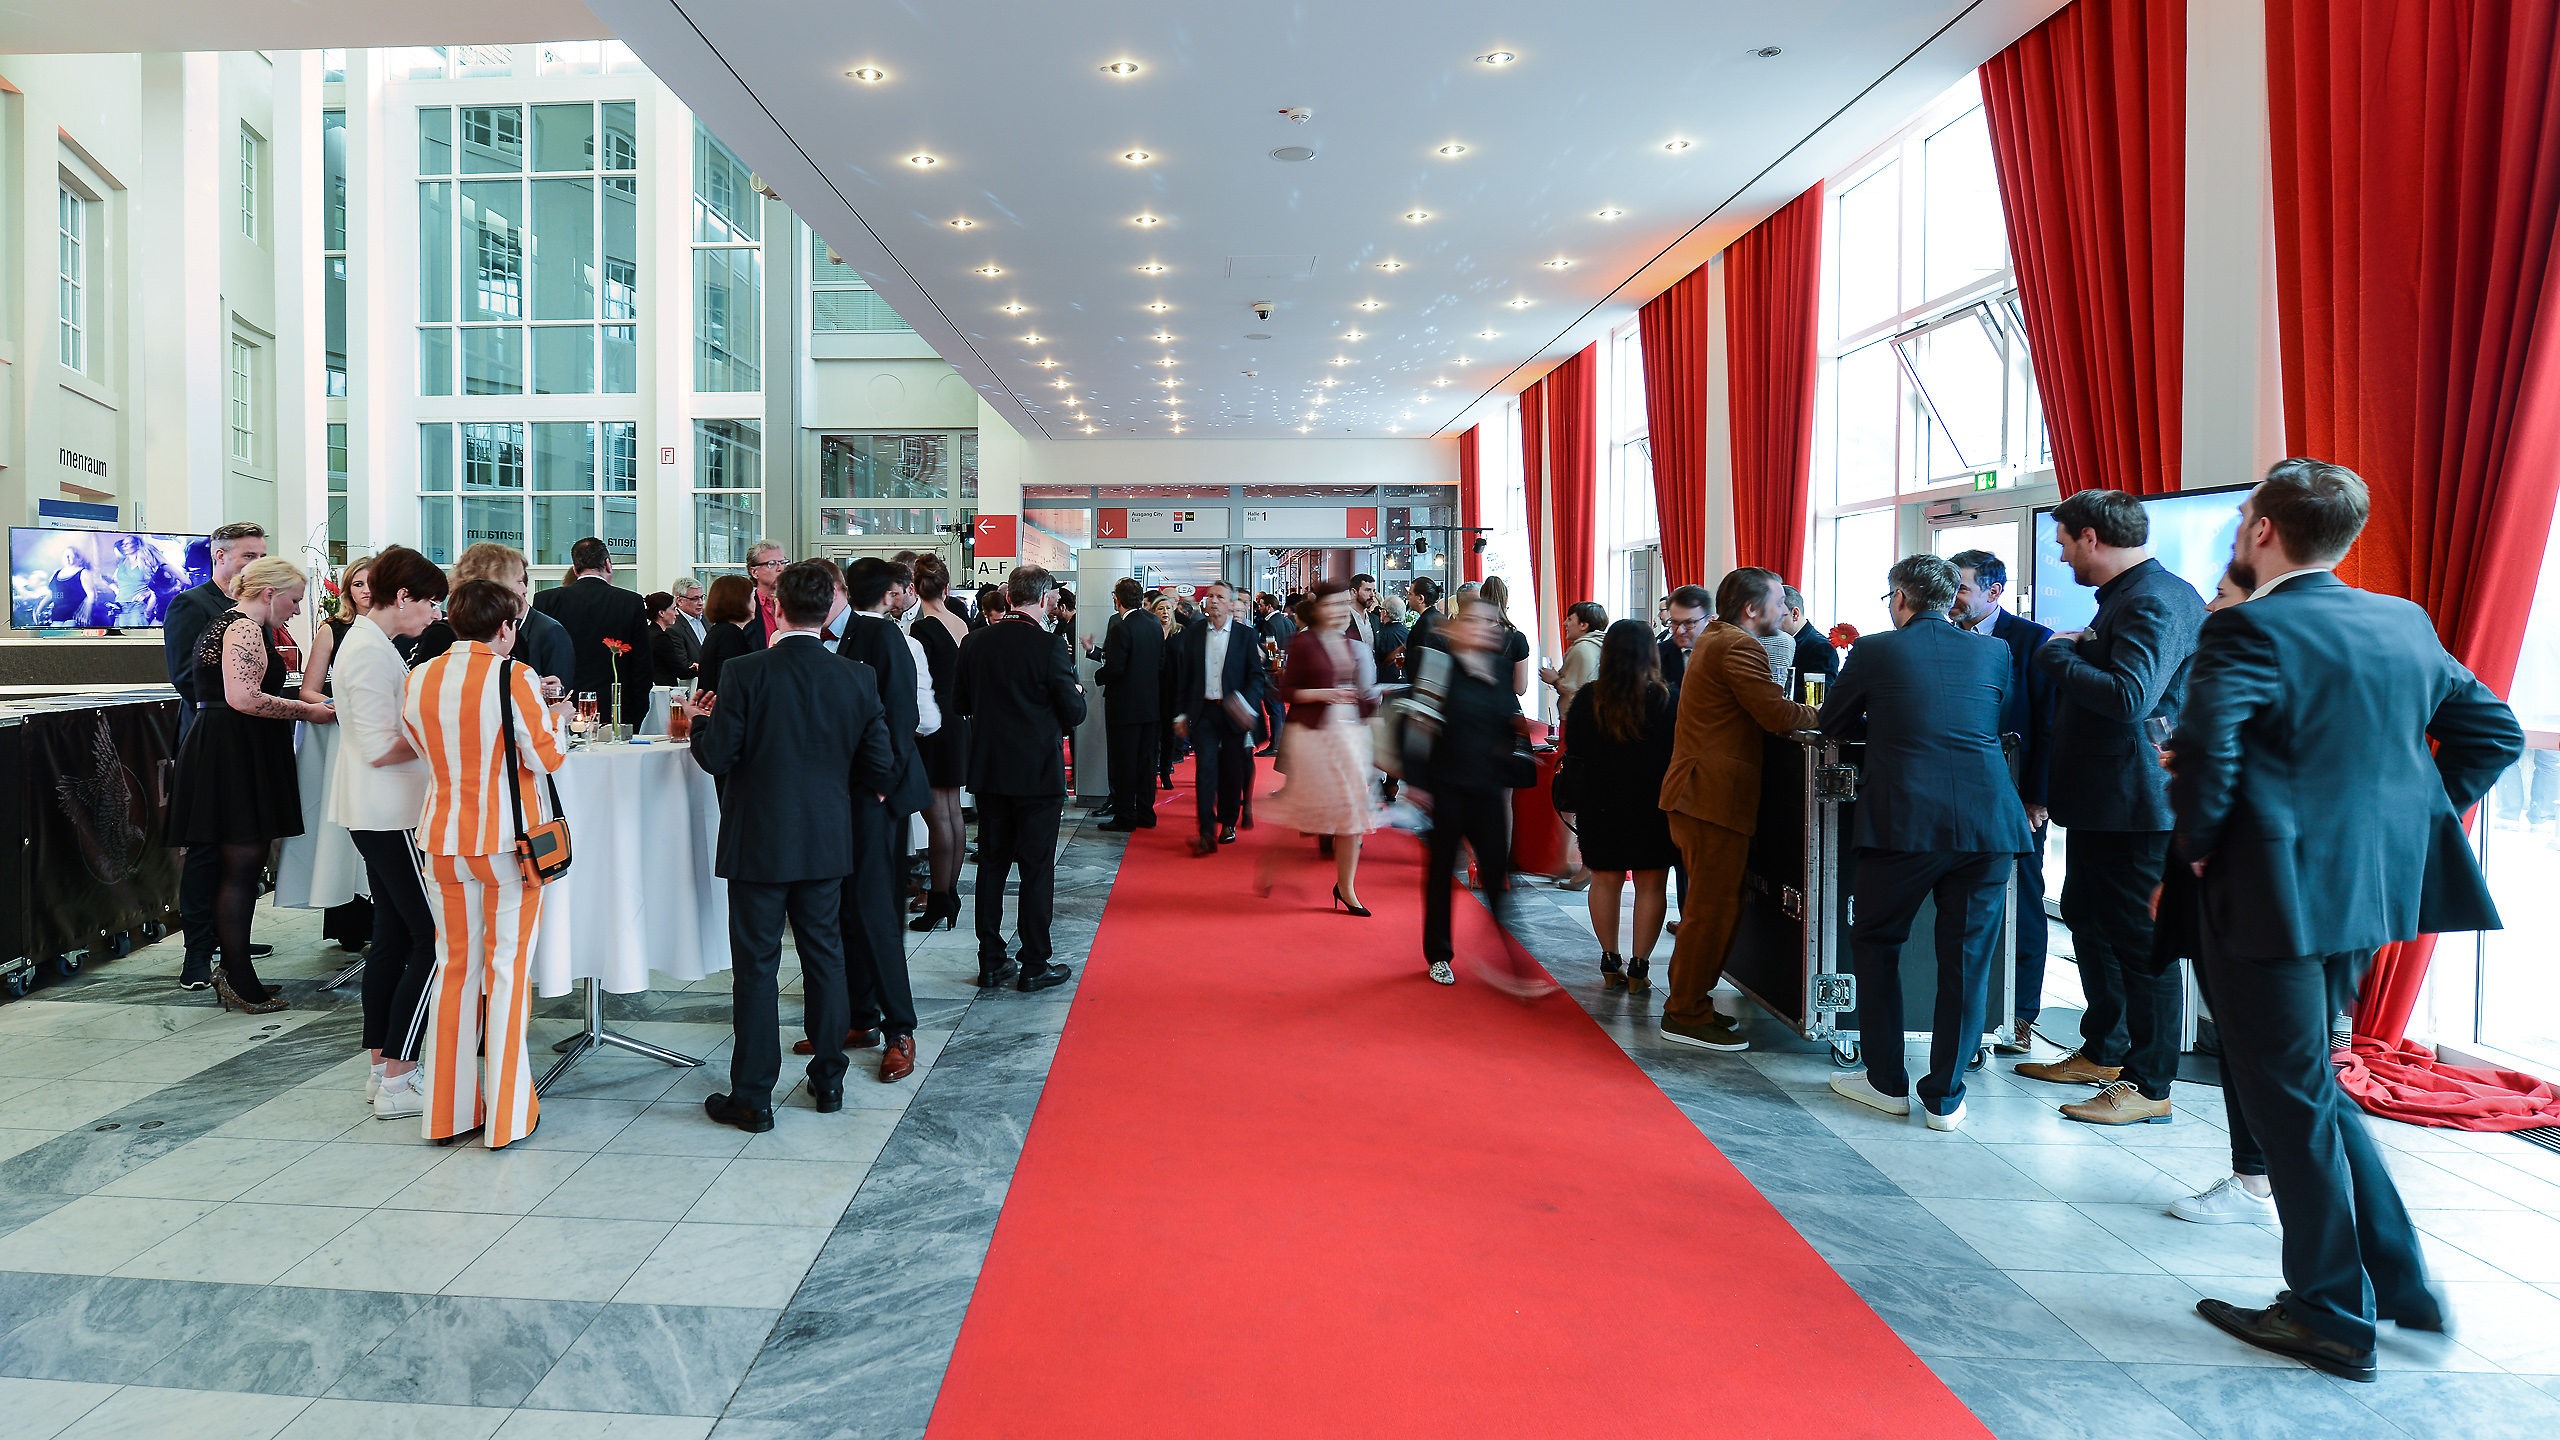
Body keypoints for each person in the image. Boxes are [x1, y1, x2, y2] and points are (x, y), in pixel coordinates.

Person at [2172, 459, 2521, 1381]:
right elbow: (2495, 732)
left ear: (2258, 531)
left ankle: (2330, 1312)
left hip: (2267, 900)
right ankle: (2399, 1287)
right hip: (2364, 900)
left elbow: (2209, 756)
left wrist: (2204, 845)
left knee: (2291, 1101)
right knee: (2308, 1089)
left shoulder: (2247, 631)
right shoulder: (2403, 621)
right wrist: (2408, 825)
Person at [1818, 555, 2031, 1131]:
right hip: (1989, 823)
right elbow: (1978, 717)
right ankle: (1946, 1097)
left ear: (1900, 599)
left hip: (1907, 820)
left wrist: (1883, 722)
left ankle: (1885, 1081)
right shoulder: (1993, 651)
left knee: (1878, 942)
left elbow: (1833, 725)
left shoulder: (1875, 650)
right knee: (1966, 960)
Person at [2016, 489, 2205, 1125]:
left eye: (2065, 541)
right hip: (2106, 801)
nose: (2062, 555)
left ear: (2092, 537)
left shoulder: (2154, 599)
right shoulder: (2130, 596)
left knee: (2139, 941)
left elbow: (2130, 698)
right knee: (2089, 921)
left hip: (2138, 805)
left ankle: (2150, 1085)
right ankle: (2104, 1052)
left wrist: (2057, 656)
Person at [687, 561, 895, 1130]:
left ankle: (752, 1096)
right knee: (824, 958)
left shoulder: (744, 671)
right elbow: (881, 765)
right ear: (829, 608)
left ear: (774, 607)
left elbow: (717, 756)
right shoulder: (855, 677)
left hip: (757, 840)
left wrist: (697, 723)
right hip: (826, 840)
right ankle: (828, 1080)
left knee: (755, 967)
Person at [403, 578, 570, 1148]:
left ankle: (446, 1113)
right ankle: (505, 1114)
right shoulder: (514, 675)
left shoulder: (419, 678)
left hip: (442, 839)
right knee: (507, 973)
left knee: (455, 970)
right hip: (507, 843)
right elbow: (547, 757)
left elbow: (422, 748)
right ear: (507, 627)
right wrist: (558, 713)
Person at [1656, 568, 1820, 1051]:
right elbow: (1776, 714)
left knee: (1716, 905)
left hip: (1702, 794)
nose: (1785, 611)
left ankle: (1694, 1002)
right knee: (1709, 910)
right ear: (1751, 609)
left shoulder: (1718, 639)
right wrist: (1835, 713)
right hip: (1709, 796)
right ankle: (1684, 1011)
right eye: (1776, 602)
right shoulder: (1737, 646)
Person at [167, 556, 334, 1014]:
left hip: (229, 748)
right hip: (233, 752)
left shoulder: (231, 623)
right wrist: (309, 712)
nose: (297, 611)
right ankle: (238, 974)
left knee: (236, 867)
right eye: (294, 600)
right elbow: (244, 697)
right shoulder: (242, 627)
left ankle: (236, 969)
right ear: (269, 593)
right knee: (241, 867)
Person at [329, 547, 449, 1121]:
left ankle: (381, 1067)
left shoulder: (371, 644)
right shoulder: (369, 653)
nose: (432, 615)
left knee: (394, 937)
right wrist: (441, 729)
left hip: (380, 810)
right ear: (402, 598)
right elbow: (380, 748)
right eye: (429, 603)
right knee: (434, 939)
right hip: (390, 811)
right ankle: (401, 1076)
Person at [829, 557, 941, 1074]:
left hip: (877, 797)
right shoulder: (836, 637)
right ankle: (860, 1016)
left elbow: (902, 718)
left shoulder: (882, 635)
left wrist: (879, 785)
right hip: (843, 798)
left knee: (876, 913)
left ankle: (901, 1029)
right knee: (847, 911)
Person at [954, 566, 1087, 991]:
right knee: (1035, 868)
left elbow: (958, 702)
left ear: (1010, 596)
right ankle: (1034, 963)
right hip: (1036, 774)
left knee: (992, 865)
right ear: (1045, 596)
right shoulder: (1049, 646)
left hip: (991, 771)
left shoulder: (974, 642)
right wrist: (1075, 698)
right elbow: (1074, 713)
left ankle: (991, 960)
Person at [1948, 549, 2056, 1055]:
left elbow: (2048, 725)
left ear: (1994, 591)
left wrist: (2038, 795)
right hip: (1954, 792)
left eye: (1962, 587)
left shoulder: (2033, 642)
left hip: (2016, 795)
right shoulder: (1940, 636)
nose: (1953, 596)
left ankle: (2020, 1014)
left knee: (2025, 903)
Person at [1411, 593, 1546, 993]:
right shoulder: (1440, 668)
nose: (1490, 629)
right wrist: (1417, 784)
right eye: (1481, 622)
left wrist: (1517, 753)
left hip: (1487, 788)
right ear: (1458, 628)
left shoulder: (1500, 671)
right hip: (1447, 787)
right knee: (1440, 875)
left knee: (1496, 873)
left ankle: (1511, 961)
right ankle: (1438, 954)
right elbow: (1420, 728)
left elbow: (1509, 722)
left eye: (1495, 623)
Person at [165, 522, 270, 991]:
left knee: (243, 851)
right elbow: (187, 678)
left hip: (251, 741)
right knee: (206, 850)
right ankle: (197, 953)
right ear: (219, 556)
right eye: (248, 555)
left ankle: (233, 943)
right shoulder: (192, 605)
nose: (256, 562)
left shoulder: (257, 609)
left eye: (261, 554)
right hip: (210, 740)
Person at [1561, 620, 1681, 992]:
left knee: (1605, 881)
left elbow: (1574, 749)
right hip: (1654, 804)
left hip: (1600, 802)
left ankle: (1610, 957)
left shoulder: (1587, 698)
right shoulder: (1668, 699)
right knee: (1650, 886)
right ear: (1652, 653)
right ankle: (1640, 968)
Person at [1253, 579, 1380, 912]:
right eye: (1331, 605)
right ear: (1319, 608)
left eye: (1343, 604)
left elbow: (1363, 695)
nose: (1339, 611)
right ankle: (1271, 865)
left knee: (1353, 814)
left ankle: (1346, 887)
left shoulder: (1352, 642)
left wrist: (1373, 706)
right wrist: (1325, 693)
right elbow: (1288, 692)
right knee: (1304, 813)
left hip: (1348, 738)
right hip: (1313, 737)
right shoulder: (1304, 642)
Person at [1173, 581, 1268, 855]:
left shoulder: (1245, 636)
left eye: (1220, 597)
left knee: (1231, 771)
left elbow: (1255, 677)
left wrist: (1246, 704)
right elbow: (1186, 678)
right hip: (1204, 712)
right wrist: (1181, 713)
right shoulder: (1193, 635)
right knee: (1205, 771)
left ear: (1230, 604)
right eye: (1210, 596)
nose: (1214, 601)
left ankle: (1228, 821)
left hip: (1234, 712)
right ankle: (1205, 832)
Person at [402, 543, 575, 690]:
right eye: (519, 581)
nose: (525, 589)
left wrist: (540, 689)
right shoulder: (442, 635)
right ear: (497, 583)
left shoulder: (516, 634)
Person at [907, 554, 973, 930]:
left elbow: (918, 683)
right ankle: (949, 894)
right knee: (953, 811)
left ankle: (941, 898)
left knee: (938, 816)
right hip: (958, 720)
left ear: (916, 588)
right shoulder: (960, 622)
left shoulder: (921, 629)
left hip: (934, 720)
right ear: (946, 588)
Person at [532, 536, 652, 728]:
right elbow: (642, 665)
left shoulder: (546, 600)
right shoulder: (630, 602)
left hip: (561, 708)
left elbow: (537, 658)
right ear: (608, 564)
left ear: (575, 568)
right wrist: (635, 714)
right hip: (615, 709)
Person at [1096, 576, 1165, 832]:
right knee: (1146, 763)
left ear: (1117, 598)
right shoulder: (1153, 625)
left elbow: (1114, 669)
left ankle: (1125, 816)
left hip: (1124, 708)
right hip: (1150, 706)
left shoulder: (1121, 629)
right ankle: (1146, 813)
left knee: (1124, 764)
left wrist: (1097, 676)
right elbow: (1160, 663)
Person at [299, 555, 373, 702]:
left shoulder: (402, 627)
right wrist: (343, 709)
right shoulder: (331, 630)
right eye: (358, 584)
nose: (367, 590)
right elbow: (308, 691)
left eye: (373, 583)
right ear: (348, 591)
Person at [1540, 602, 1608, 723]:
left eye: (1570, 619)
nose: (1565, 624)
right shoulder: (1603, 645)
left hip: (1578, 721)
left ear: (1583, 625)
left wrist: (1555, 679)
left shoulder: (1582, 648)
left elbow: (1576, 692)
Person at [1777, 585, 1840, 703]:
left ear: (1795, 614)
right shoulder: (1778, 642)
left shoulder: (1820, 647)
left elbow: (1821, 698)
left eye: (1776, 617)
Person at [1253, 591, 1298, 756]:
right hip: (1284, 669)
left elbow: (1271, 649)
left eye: (1261, 605)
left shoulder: (1270, 624)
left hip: (1273, 671)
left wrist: (1271, 666)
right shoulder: (1288, 621)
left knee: (1274, 709)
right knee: (1279, 708)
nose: (1259, 608)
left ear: (1269, 606)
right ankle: (1281, 743)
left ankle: (1276, 745)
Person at [697, 573, 756, 693]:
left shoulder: (719, 631)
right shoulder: (730, 633)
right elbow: (730, 682)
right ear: (740, 600)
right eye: (752, 597)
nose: (755, 603)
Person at [1479, 576, 1534, 700]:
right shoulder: (1517, 638)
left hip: (1475, 706)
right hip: (1504, 705)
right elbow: (1520, 688)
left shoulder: (1470, 634)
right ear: (1506, 600)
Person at [741, 539, 790, 648]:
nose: (780, 568)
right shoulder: (745, 608)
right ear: (754, 572)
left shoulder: (796, 603)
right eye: (772, 564)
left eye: (783, 562)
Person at [1660, 583, 1710, 685]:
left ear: (1709, 621)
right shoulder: (1659, 655)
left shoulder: (1725, 656)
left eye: (1689, 623)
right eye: (1674, 622)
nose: (1679, 631)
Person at [646, 591, 698, 685]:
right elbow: (679, 671)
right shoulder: (661, 638)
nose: (677, 613)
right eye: (674, 609)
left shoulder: (648, 632)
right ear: (661, 613)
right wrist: (698, 670)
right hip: (663, 689)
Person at [1373, 591, 1410, 685]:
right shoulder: (1408, 632)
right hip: (1406, 680)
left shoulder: (1381, 633)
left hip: (1385, 682)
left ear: (1384, 612)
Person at [669, 574, 709, 655]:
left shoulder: (708, 617)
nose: (701, 603)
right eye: (695, 599)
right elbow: (682, 662)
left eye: (702, 597)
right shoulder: (673, 627)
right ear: (679, 600)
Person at [1347, 572, 1379, 649]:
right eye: (1368, 590)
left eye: (1373, 591)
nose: (1372, 595)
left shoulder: (1375, 619)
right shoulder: (1343, 619)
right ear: (1354, 592)